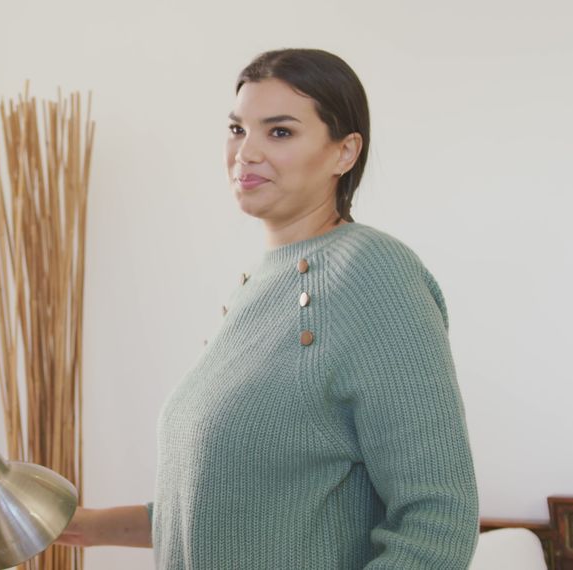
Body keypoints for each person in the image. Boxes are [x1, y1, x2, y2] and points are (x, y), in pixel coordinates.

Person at [56, 48, 479, 568]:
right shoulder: (256, 287)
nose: (246, 152)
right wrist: (82, 526)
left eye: (279, 132)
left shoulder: (372, 272)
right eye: (237, 129)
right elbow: (224, 510)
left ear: (344, 153)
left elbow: (438, 515)